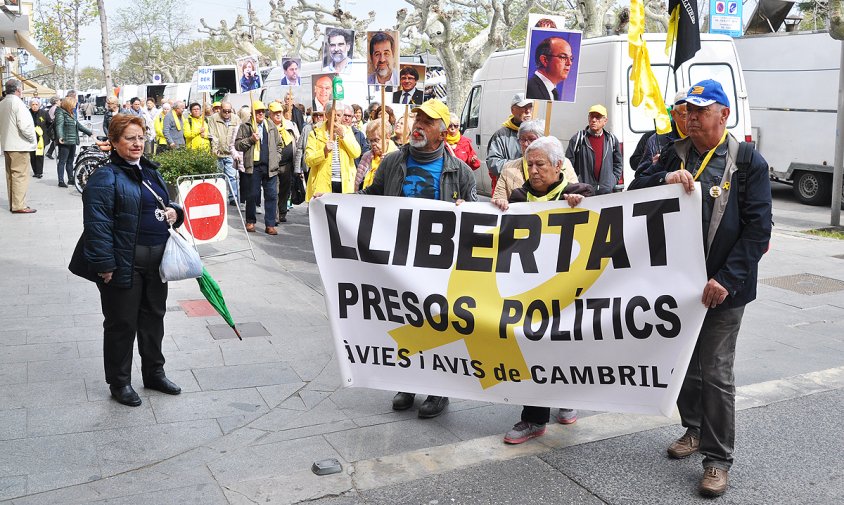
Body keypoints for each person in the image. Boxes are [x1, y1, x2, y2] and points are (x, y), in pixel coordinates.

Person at [628, 79, 772, 498]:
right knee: (683, 366)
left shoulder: (747, 162)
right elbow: (632, 193)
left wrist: (725, 280)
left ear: (724, 115)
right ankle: (693, 429)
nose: (689, 118)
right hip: (678, 288)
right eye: (686, 111)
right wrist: (662, 180)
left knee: (716, 371)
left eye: (699, 111)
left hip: (723, 289)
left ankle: (717, 460)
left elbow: (758, 230)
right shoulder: (674, 152)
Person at [356, 99, 477, 418]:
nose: (419, 124)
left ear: (442, 132)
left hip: (439, 263)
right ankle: (406, 383)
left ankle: (439, 392)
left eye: (428, 121)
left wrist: (468, 208)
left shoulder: (460, 171)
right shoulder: (393, 162)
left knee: (438, 324)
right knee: (405, 319)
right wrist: (333, 204)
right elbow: (371, 197)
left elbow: (477, 213)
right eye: (417, 118)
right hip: (400, 259)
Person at [70, 114, 185, 407]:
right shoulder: (105, 177)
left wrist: (175, 213)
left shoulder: (150, 171)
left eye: (140, 137)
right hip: (124, 264)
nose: (137, 143)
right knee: (122, 324)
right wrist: (104, 265)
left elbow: (166, 204)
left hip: (157, 263)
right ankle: (119, 382)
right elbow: (96, 225)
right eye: (130, 138)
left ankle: (154, 373)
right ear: (114, 143)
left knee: (153, 319)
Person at [490, 136, 593, 443]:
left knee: (564, 345)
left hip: (568, 290)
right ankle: (533, 418)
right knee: (533, 347)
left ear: (558, 166)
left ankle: (566, 397)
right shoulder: (519, 197)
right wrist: (498, 209)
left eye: (540, 165)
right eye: (529, 164)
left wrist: (580, 205)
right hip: (531, 291)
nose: (533, 171)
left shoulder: (578, 192)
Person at [492, 120, 579, 201]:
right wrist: (500, 202)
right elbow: (498, 198)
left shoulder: (564, 163)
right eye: (522, 139)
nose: (526, 144)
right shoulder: (508, 168)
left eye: (531, 139)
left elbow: (574, 190)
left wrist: (573, 199)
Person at [235, 100, 287, 235]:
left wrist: (277, 158)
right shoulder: (246, 126)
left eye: (262, 111)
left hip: (270, 167)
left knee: (271, 195)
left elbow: (279, 145)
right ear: (253, 112)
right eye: (257, 111)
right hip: (253, 167)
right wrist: (250, 139)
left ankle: (270, 224)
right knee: (252, 195)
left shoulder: (270, 125)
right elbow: (238, 145)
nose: (260, 113)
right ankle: (250, 221)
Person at [304, 100, 361, 199]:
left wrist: (343, 136)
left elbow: (356, 153)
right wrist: (324, 152)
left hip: (344, 184)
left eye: (338, 115)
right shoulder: (315, 133)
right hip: (323, 184)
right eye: (332, 114)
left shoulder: (347, 131)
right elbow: (309, 160)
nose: (335, 118)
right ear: (326, 115)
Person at [565, 104, 622, 195]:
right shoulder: (578, 139)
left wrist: (612, 180)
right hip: (584, 191)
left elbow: (618, 163)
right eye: (591, 116)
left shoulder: (611, 139)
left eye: (598, 117)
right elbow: (568, 164)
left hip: (606, 191)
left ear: (605, 121)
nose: (594, 120)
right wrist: (576, 184)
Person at [0, 79, 37, 213]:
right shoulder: (17, 103)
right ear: (18, 90)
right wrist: (33, 139)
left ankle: (14, 203)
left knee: (11, 175)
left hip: (7, 144)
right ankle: (19, 205)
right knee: (20, 176)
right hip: (19, 145)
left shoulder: (2, 103)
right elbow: (25, 126)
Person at [486, 93, 532, 193]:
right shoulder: (501, 135)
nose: (528, 111)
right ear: (513, 110)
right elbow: (493, 163)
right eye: (523, 107)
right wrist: (520, 165)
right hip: (509, 191)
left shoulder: (538, 133)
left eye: (530, 106)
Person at [636, 90, 689, 175]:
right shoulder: (656, 141)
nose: (691, 120)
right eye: (685, 116)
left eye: (696, 114)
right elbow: (639, 178)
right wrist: (654, 166)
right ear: (673, 115)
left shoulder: (704, 137)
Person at [55, 95, 94, 188]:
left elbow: (78, 125)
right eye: (74, 104)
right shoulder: (61, 113)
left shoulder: (72, 113)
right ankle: (61, 180)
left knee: (70, 161)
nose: (75, 106)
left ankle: (71, 179)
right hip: (65, 141)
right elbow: (59, 125)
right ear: (68, 104)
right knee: (62, 161)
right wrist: (60, 136)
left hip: (72, 140)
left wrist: (89, 133)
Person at [268, 101, 296, 224]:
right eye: (275, 113)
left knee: (285, 190)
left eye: (279, 112)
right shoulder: (267, 126)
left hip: (287, 164)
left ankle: (282, 212)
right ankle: (274, 216)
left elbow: (297, 140)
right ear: (270, 114)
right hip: (273, 164)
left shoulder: (289, 125)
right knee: (274, 191)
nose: (278, 115)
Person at [208, 100, 241, 206]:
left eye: (229, 111)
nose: (227, 113)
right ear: (220, 110)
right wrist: (214, 149)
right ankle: (219, 196)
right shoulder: (213, 118)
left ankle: (233, 197)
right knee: (218, 176)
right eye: (225, 111)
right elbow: (212, 134)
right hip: (218, 152)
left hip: (230, 153)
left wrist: (236, 151)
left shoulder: (236, 119)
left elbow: (239, 135)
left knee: (233, 177)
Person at [526, 36, 573, 100]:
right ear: (545, 60)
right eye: (563, 57)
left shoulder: (553, 92)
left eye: (571, 58)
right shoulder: (529, 89)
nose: (569, 63)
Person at [355, 120, 397, 190]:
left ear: (387, 137)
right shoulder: (367, 156)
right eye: (371, 141)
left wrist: (388, 165)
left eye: (376, 140)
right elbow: (357, 183)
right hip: (365, 197)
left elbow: (396, 183)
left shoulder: (396, 156)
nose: (373, 144)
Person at [29, 99, 50, 179]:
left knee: (40, 155)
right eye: (33, 104)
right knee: (33, 155)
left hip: (41, 137)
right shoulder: (28, 113)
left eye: (36, 104)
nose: (34, 106)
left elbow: (49, 124)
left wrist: (47, 134)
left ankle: (39, 172)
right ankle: (35, 171)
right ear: (31, 105)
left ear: (39, 105)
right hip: (31, 137)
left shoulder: (44, 113)